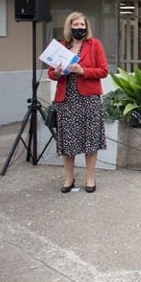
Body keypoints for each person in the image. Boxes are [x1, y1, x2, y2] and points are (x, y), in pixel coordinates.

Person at [48, 12, 109, 194]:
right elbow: (51, 73)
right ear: (70, 27)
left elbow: (104, 70)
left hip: (89, 99)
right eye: (76, 25)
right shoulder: (61, 46)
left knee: (90, 139)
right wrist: (58, 73)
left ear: (86, 27)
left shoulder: (94, 44)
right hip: (67, 100)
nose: (79, 28)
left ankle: (90, 178)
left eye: (82, 25)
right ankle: (69, 177)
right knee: (68, 142)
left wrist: (83, 70)